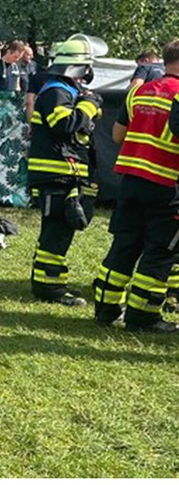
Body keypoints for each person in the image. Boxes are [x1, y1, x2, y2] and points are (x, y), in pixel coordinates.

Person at [91, 40, 179, 331]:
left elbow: (117, 136)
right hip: (167, 184)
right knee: (159, 251)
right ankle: (142, 316)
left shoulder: (138, 92)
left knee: (125, 244)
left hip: (130, 182)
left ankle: (105, 308)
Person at [26, 37, 102, 306]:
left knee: (56, 231)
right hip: (55, 173)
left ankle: (48, 283)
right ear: (78, 67)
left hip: (61, 172)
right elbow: (64, 124)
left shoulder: (61, 90)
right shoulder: (57, 91)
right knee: (57, 233)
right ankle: (50, 289)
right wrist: (89, 106)